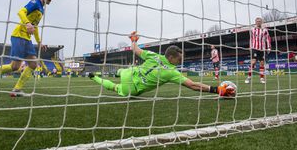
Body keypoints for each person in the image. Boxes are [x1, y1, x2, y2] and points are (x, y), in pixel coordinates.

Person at [89, 31, 235, 98]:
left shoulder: (153, 55)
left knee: (122, 71)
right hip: (132, 88)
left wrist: (133, 39)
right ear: (171, 58)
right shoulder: (170, 72)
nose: (181, 62)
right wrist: (217, 90)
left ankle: (112, 73)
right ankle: (94, 78)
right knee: (114, 87)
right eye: (179, 60)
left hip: (130, 73)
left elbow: (134, 49)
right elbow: (193, 85)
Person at [0, 0, 53, 96]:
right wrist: (27, 23)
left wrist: (39, 42)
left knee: (33, 64)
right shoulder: (35, 3)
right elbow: (21, 12)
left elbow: (34, 27)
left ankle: (17, 90)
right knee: (15, 67)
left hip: (27, 39)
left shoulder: (42, 9)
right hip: (18, 36)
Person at [245, 17, 271, 84]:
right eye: (257, 21)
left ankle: (262, 78)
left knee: (262, 63)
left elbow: (268, 39)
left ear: (261, 22)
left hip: (262, 49)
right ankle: (249, 77)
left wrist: (268, 47)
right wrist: (250, 47)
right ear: (255, 22)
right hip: (254, 48)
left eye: (259, 21)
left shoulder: (265, 30)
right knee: (253, 62)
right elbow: (251, 39)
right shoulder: (252, 29)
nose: (258, 22)